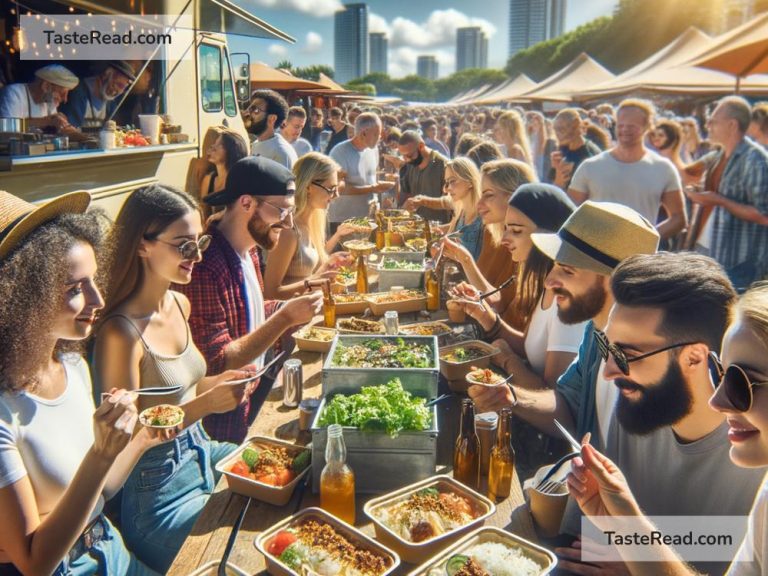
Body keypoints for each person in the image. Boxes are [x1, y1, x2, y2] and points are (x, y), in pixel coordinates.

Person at [564, 258, 768, 576]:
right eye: (607, 348)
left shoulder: (757, 449)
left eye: (627, 355)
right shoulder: (630, 401)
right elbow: (586, 544)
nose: (608, 372)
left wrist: (637, 556)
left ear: (694, 358)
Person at [93, 185, 256, 573]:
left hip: (201, 453)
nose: (196, 257)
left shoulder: (178, 302)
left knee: (282, 477)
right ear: (141, 246)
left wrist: (217, 384)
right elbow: (120, 443)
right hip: (157, 495)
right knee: (238, 553)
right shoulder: (120, 334)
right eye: (184, 246)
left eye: (199, 243)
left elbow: (182, 388)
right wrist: (204, 405)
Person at [0, 191, 162, 575]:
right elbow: (34, 562)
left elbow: (98, 491)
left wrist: (141, 437)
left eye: (94, 280)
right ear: (20, 297)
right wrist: (101, 453)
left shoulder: (73, 365)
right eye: (75, 289)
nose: (98, 298)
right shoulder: (6, 412)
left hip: (107, 547)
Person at [468, 201, 659, 448]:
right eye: (554, 266)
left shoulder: (652, 368)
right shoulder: (595, 334)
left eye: (567, 271)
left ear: (615, 281)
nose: (549, 281)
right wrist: (510, 397)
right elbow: (567, 404)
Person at [176, 157, 323, 443]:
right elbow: (217, 364)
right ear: (246, 203)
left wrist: (290, 308)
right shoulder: (205, 266)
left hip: (249, 400)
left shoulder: (251, 248)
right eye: (281, 210)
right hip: (219, 427)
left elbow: (250, 314)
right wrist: (285, 318)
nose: (288, 222)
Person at [453, 183, 583, 390]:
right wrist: (484, 315)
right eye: (506, 229)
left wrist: (507, 360)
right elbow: (530, 347)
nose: (504, 239)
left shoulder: (566, 299)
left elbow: (553, 397)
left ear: (548, 234)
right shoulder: (545, 283)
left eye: (515, 230)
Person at [567, 99, 687, 241]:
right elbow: (570, 211)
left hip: (639, 258)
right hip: (595, 254)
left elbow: (679, 218)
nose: (624, 130)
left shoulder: (663, 168)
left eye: (631, 126)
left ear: (647, 127)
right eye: (621, 125)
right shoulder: (590, 166)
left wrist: (647, 238)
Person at [441, 159, 536, 329]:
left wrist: (466, 261)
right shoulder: (494, 233)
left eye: (488, 195)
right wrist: (465, 260)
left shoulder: (528, 249)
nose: (479, 204)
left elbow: (502, 307)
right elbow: (496, 299)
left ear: (515, 196)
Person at [686, 96, 768, 291]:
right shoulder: (719, 155)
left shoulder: (755, 160)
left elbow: (764, 215)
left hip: (739, 264)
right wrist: (704, 194)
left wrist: (718, 200)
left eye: (713, 121)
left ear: (732, 125)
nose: (707, 125)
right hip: (710, 253)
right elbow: (690, 175)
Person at [263, 153, 355, 299]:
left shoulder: (312, 221)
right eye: (331, 188)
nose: (336, 195)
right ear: (308, 187)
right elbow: (270, 294)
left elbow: (308, 272)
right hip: (292, 318)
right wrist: (314, 280)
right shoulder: (288, 231)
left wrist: (329, 263)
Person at [405, 157, 483, 259]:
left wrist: (445, 252)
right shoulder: (461, 212)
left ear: (470, 181)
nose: (446, 189)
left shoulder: (484, 219)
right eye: (446, 182)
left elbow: (481, 265)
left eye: (452, 181)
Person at [327, 112, 390, 233]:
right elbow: (339, 188)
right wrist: (373, 188)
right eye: (377, 134)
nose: (380, 137)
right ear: (363, 133)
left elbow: (370, 176)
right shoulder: (340, 152)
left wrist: (383, 189)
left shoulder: (373, 149)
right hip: (344, 220)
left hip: (368, 218)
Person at [0, 64, 78, 131]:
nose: (65, 99)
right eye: (62, 93)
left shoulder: (48, 102)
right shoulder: (14, 93)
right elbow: (6, 127)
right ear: (46, 86)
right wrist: (48, 121)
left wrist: (61, 124)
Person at [60, 61, 135, 129]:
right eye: (119, 85)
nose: (119, 91)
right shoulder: (79, 92)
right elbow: (70, 130)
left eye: (123, 88)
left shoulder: (111, 103)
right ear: (107, 74)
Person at [398, 130, 449, 224]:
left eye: (409, 155)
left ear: (421, 146)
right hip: (415, 229)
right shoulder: (409, 165)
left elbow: (451, 202)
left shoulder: (444, 166)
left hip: (439, 228)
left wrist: (424, 201)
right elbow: (405, 194)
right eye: (403, 156)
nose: (406, 159)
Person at [199, 128, 249, 217]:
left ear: (232, 150)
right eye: (213, 144)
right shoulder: (209, 179)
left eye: (219, 145)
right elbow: (203, 213)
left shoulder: (241, 182)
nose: (212, 148)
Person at [550, 108, 601, 190]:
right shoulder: (563, 150)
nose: (557, 134)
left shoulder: (589, 154)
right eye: (555, 129)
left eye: (561, 129)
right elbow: (554, 184)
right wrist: (556, 169)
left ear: (575, 125)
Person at [247, 89, 297, 169]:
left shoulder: (281, 152)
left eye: (255, 110)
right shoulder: (256, 144)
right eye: (249, 109)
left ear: (272, 119)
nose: (248, 113)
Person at [526, 111, 557, 182]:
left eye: (535, 122)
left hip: (540, 170)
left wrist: (541, 123)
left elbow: (541, 144)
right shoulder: (529, 136)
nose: (532, 123)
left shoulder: (549, 140)